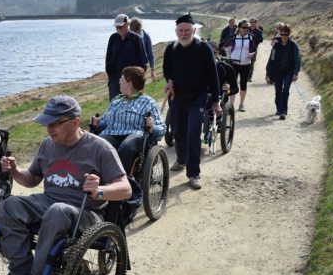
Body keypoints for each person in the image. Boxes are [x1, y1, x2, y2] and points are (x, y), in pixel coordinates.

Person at [0, 95, 131, 275]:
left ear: (75, 122)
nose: (49, 129)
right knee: (10, 206)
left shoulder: (100, 148)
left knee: (58, 211)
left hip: (86, 212)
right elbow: (31, 179)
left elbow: (126, 189)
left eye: (55, 123)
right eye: (47, 123)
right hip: (49, 202)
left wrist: (100, 191)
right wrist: (14, 171)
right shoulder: (47, 146)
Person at [163, 13, 221, 190]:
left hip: (198, 96)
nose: (184, 34)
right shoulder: (171, 49)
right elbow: (167, 70)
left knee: (193, 133)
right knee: (178, 131)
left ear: (194, 30)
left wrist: (216, 100)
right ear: (176, 31)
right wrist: (169, 80)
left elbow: (213, 75)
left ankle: (193, 173)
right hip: (177, 97)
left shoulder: (203, 48)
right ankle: (181, 160)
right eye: (180, 30)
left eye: (187, 30)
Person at [91, 66, 165, 172]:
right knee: (98, 143)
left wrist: (152, 127)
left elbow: (162, 128)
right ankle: (101, 175)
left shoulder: (148, 102)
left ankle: (123, 179)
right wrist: (98, 123)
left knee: (126, 146)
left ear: (129, 83)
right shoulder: (116, 101)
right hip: (113, 133)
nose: (119, 81)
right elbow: (105, 122)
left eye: (121, 79)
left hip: (135, 134)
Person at [105, 13, 149, 100]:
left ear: (128, 24)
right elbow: (108, 58)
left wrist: (137, 80)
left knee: (131, 103)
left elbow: (143, 61)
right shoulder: (113, 38)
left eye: (120, 26)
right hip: (115, 78)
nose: (118, 29)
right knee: (115, 103)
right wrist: (110, 73)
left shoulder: (136, 39)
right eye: (116, 26)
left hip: (131, 80)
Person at [265, 23, 301, 120]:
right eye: (282, 34)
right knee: (278, 90)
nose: (284, 36)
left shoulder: (293, 45)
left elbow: (297, 60)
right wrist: (268, 73)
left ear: (289, 34)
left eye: (286, 34)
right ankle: (279, 108)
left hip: (289, 71)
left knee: (285, 90)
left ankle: (283, 111)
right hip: (278, 72)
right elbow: (271, 59)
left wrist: (295, 73)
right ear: (279, 34)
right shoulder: (276, 45)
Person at [223, 18, 256, 112]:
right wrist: (228, 53)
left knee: (243, 84)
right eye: (244, 27)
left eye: (248, 27)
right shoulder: (233, 37)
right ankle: (231, 104)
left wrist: (252, 54)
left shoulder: (251, 37)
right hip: (233, 63)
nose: (246, 29)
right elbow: (224, 46)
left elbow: (254, 49)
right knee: (233, 84)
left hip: (246, 64)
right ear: (239, 27)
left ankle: (241, 104)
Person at [129, 17, 157, 82]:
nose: (135, 34)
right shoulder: (129, 35)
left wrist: (152, 70)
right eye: (133, 31)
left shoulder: (146, 36)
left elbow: (150, 53)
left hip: (142, 65)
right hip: (130, 65)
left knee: (139, 85)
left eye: (137, 31)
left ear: (140, 28)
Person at [248, 18, 264, 82]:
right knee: (245, 62)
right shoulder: (246, 30)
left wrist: (255, 40)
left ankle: (249, 77)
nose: (252, 23)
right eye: (251, 22)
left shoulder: (259, 31)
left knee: (251, 63)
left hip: (254, 48)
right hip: (246, 48)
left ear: (256, 23)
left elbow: (261, 40)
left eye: (254, 22)